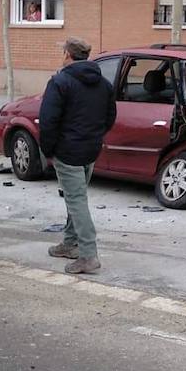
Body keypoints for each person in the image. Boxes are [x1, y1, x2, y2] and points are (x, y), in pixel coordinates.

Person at [38, 36, 116, 274]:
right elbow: (110, 117)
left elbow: (48, 121)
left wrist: (48, 149)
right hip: (91, 149)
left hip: (68, 151)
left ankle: (88, 254)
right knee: (76, 196)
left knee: (76, 201)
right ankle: (70, 243)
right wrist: (94, 136)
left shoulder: (60, 82)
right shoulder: (103, 83)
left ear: (67, 55)